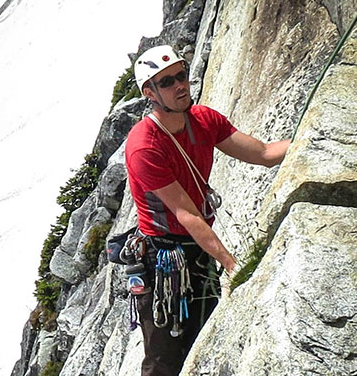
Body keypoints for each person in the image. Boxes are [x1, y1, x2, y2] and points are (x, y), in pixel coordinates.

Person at [123, 45, 288, 376]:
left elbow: (266, 153)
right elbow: (186, 214)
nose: (180, 85)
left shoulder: (204, 120)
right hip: (162, 262)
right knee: (164, 361)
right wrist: (230, 264)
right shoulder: (145, 146)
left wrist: (309, 136)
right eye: (167, 82)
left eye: (181, 76)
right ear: (149, 93)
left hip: (196, 252)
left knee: (205, 336)